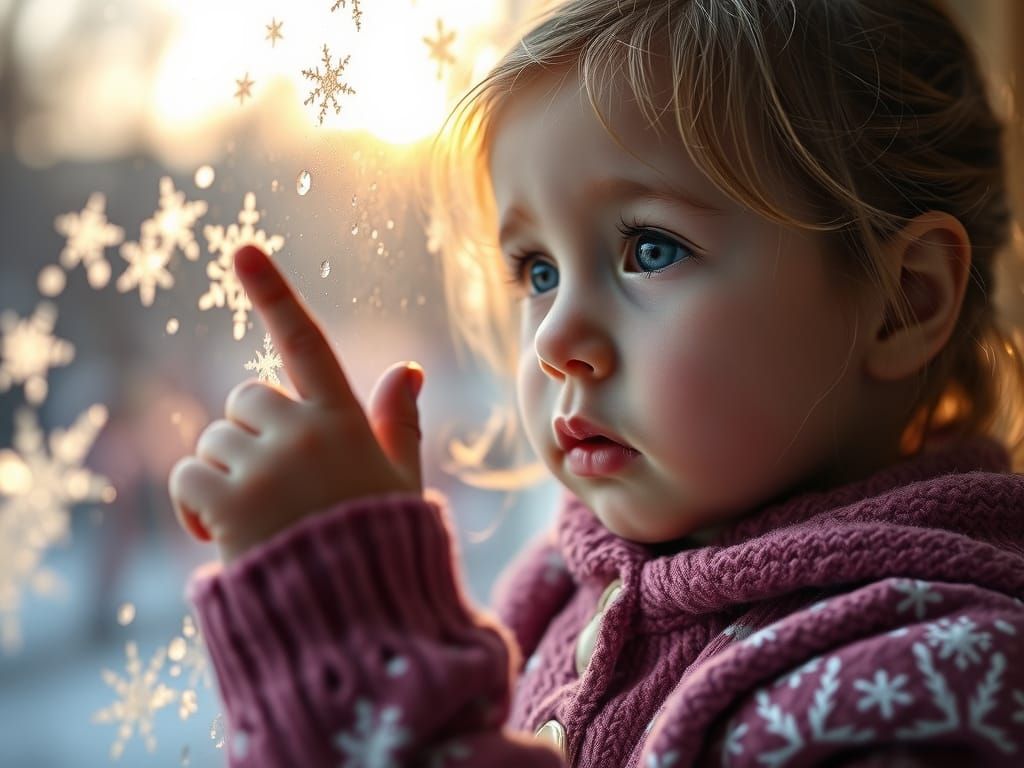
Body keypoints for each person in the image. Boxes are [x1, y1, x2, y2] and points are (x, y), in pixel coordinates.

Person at [169, 0, 1024, 765]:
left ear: (901, 301)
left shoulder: (927, 684)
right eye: (537, 270)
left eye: (650, 249)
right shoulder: (562, 588)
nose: (554, 338)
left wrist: (360, 645)